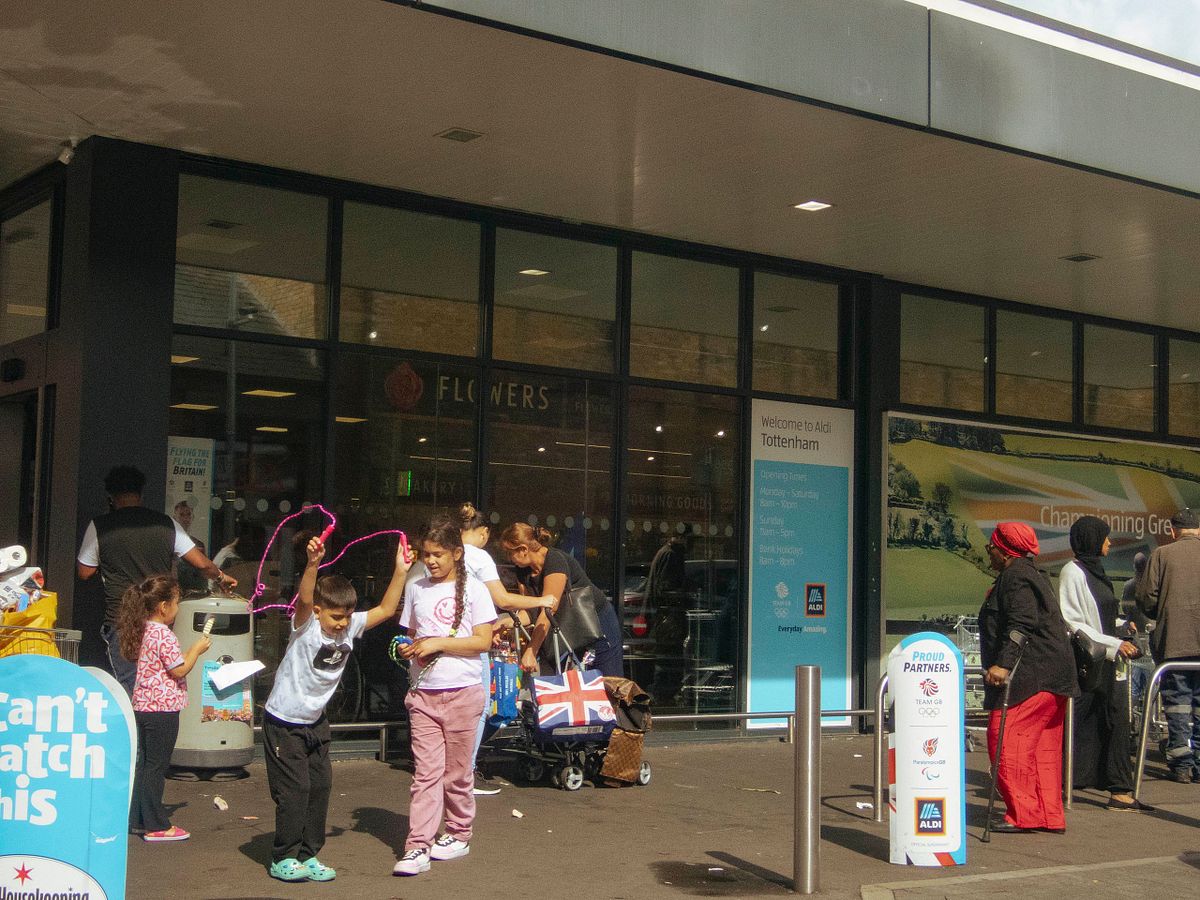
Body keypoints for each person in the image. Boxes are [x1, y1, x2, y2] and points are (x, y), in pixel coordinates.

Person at [263, 532, 413, 883]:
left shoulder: (349, 627)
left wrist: (401, 571)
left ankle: (308, 854)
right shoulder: (306, 626)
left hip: (315, 721)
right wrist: (312, 564)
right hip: (284, 721)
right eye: (335, 617)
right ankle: (283, 857)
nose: (342, 623)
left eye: (346, 616)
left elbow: (385, 610)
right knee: (296, 790)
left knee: (321, 787)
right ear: (318, 612)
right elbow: (304, 598)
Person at [392, 517, 497, 877]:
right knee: (425, 775)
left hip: (463, 693)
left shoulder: (476, 590)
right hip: (423, 694)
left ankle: (458, 833)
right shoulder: (416, 587)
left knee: (457, 774)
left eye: (438, 554)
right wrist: (407, 647)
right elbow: (410, 634)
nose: (431, 561)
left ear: (456, 553)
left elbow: (482, 641)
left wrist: (438, 643)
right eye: (426, 554)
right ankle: (417, 845)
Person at [77, 465, 235, 693]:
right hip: (159, 620)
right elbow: (202, 564)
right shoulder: (167, 524)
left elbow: (85, 571)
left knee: (128, 689)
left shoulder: (100, 526)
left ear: (111, 496)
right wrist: (221, 576)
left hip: (122, 620)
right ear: (141, 494)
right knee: (159, 686)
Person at [979, 522, 1078, 833]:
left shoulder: (1016, 576)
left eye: (991, 547)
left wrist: (1003, 665)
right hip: (1054, 674)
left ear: (1005, 550)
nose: (989, 553)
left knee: (1005, 738)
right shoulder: (1033, 574)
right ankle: (1048, 815)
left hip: (1031, 675)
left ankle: (1024, 813)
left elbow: (1021, 623)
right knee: (1042, 748)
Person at [455, 503, 554, 797]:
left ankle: (450, 770)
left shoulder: (446, 554)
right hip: (472, 639)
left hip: (446, 638)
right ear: (484, 532)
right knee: (479, 706)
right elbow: (503, 599)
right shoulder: (478, 556)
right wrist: (541, 601)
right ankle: (466, 774)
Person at [1057, 516, 1151, 811]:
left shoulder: (1096, 571)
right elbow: (1073, 621)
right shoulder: (1072, 572)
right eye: (1104, 537)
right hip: (1091, 661)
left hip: (1110, 659)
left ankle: (1119, 790)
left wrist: (1122, 626)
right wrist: (1113, 644)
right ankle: (1067, 783)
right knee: (1084, 721)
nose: (1108, 542)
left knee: (1117, 720)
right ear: (1091, 539)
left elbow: (1100, 615)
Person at [117, 574, 211, 842]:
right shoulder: (164, 634)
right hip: (162, 708)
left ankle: (138, 818)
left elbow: (168, 664)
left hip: (144, 706)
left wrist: (189, 652)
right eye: (176, 602)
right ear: (163, 606)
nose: (178, 608)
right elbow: (179, 669)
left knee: (145, 765)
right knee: (156, 767)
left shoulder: (144, 630)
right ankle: (156, 824)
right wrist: (197, 649)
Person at [499, 522, 624, 678]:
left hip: (596, 623)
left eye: (509, 553)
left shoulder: (555, 560)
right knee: (565, 681)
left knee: (609, 681)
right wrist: (505, 623)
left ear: (524, 549)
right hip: (567, 628)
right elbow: (531, 611)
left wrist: (532, 650)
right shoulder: (522, 570)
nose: (508, 558)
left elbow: (549, 610)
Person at [1137, 507, 1200, 783]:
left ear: (1173, 531)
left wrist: (1163, 612)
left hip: (1175, 642)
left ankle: (1182, 764)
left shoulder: (1162, 554)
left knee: (1176, 703)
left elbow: (1146, 598)